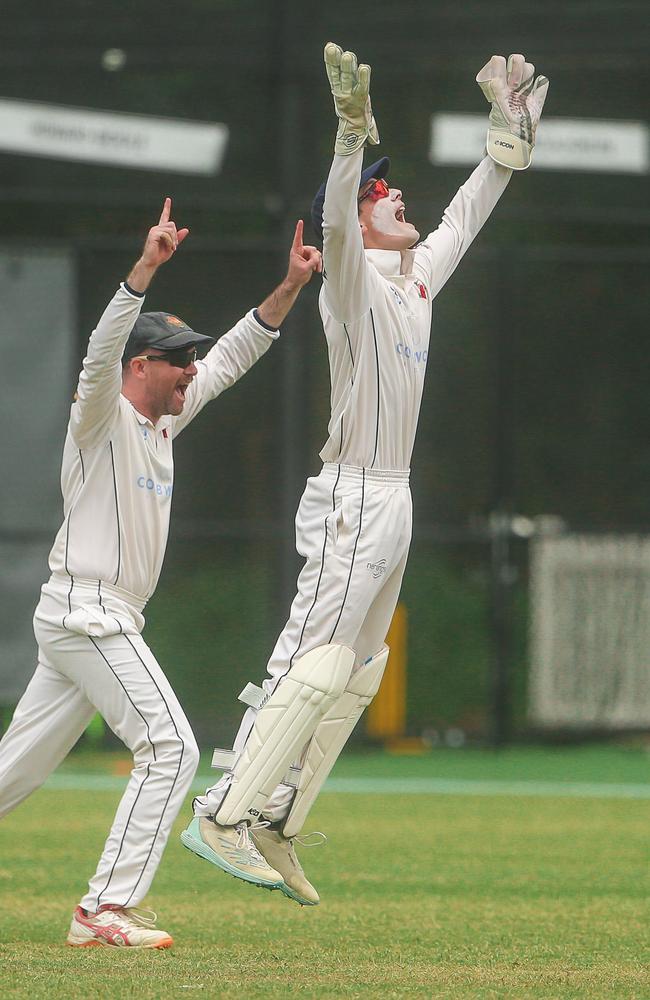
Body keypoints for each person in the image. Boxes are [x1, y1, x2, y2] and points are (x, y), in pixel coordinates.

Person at [183, 44, 549, 906]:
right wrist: (350, 139)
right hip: (351, 491)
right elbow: (338, 226)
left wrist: (509, 134)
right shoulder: (347, 282)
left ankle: (276, 820)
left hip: (396, 493)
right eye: (384, 196)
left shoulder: (415, 280)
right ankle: (222, 809)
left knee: (356, 670)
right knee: (310, 656)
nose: (398, 200)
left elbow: (469, 210)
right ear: (360, 213)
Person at [0, 198, 322, 948]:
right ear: (140, 366)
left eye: (190, 358)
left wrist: (292, 285)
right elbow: (99, 349)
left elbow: (238, 352)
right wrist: (145, 268)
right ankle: (103, 910)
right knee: (172, 747)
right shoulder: (101, 414)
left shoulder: (167, 416)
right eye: (178, 359)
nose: (191, 369)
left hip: (93, 613)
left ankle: (104, 907)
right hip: (89, 609)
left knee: (14, 770)